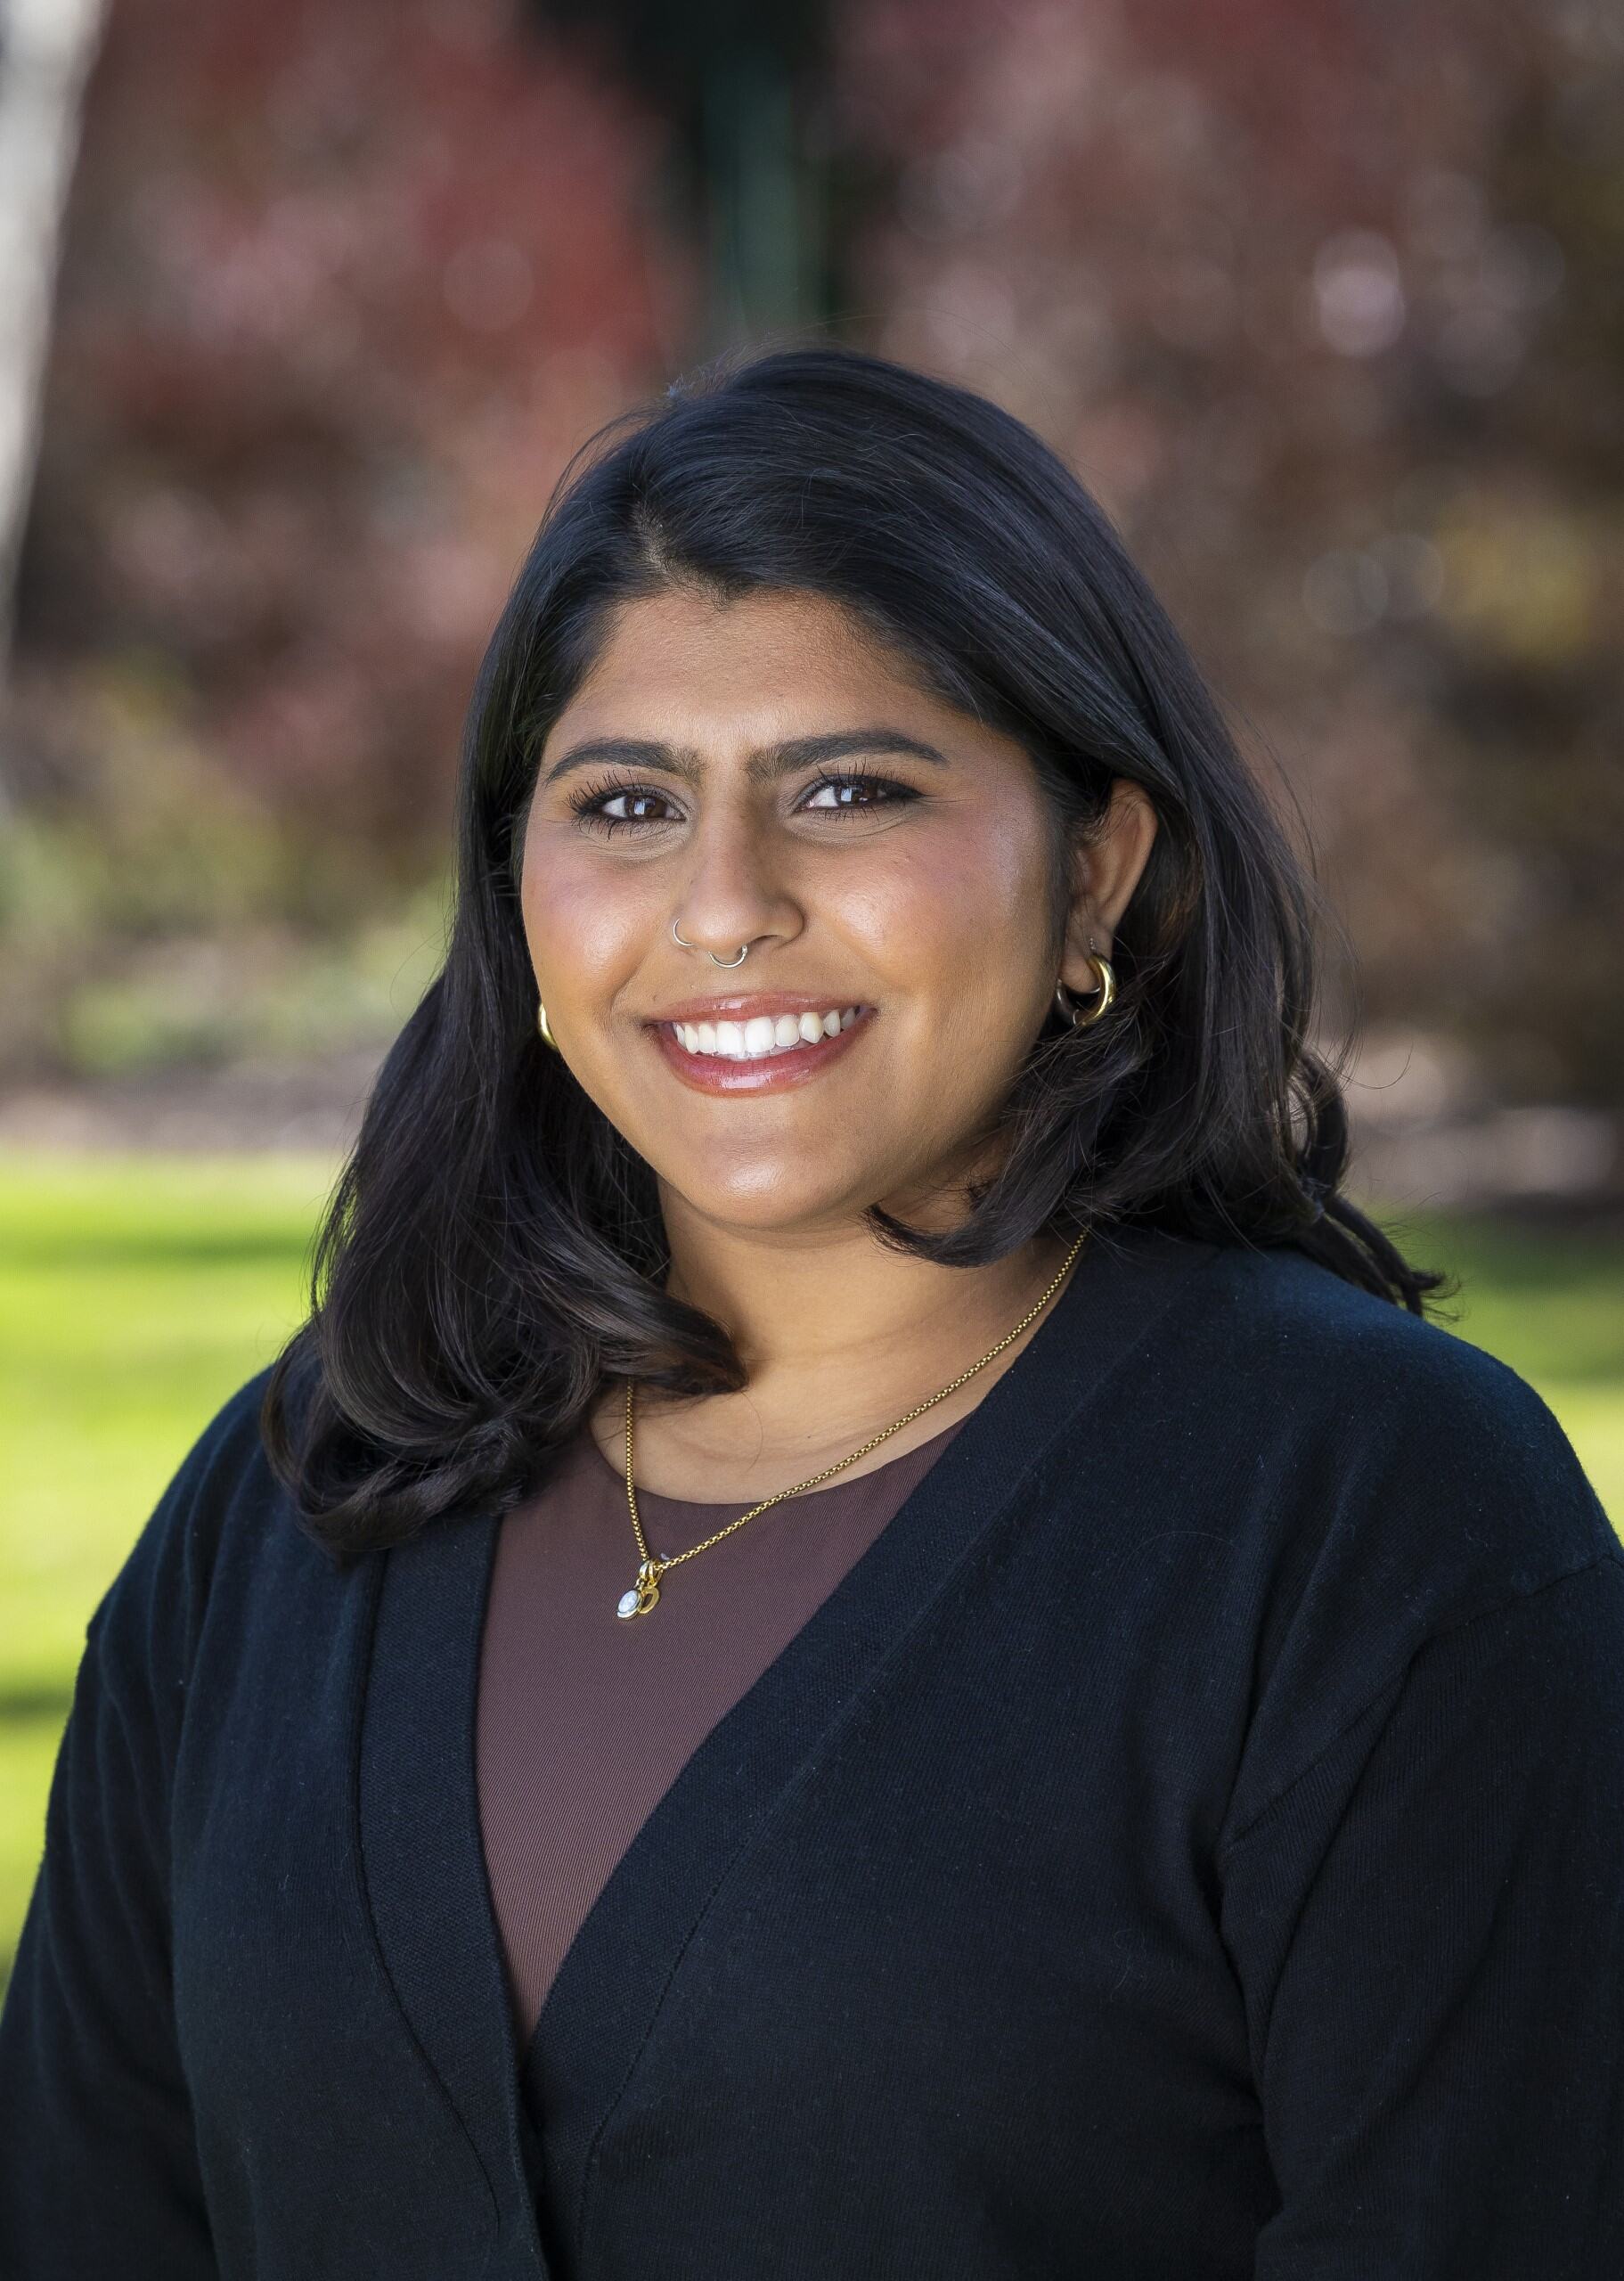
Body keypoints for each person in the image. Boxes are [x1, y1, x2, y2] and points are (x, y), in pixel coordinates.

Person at [2, 343, 1620, 2281]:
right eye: (624, 804)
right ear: (517, 889)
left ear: (1098, 867)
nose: (724, 903)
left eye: (849, 786)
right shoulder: (298, 1498)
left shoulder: (1374, 1521)